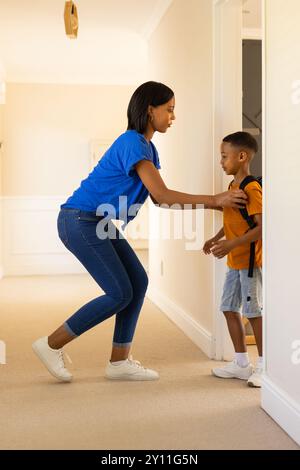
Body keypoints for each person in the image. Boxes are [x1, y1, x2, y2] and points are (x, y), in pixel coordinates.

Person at [32, 81, 247, 383]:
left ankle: (119, 362)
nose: (173, 117)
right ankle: (51, 344)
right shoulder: (132, 141)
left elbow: (160, 200)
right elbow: (162, 193)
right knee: (119, 292)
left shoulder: (148, 148)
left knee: (138, 281)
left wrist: (217, 206)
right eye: (169, 110)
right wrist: (215, 199)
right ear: (150, 110)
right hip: (80, 220)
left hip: (97, 222)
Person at [203, 131, 263, 387]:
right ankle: (241, 363)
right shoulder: (232, 187)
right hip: (234, 262)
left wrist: (231, 245)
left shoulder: (251, 187)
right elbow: (233, 221)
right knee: (228, 308)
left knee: (253, 312)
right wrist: (216, 238)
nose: (221, 162)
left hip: (249, 264)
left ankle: (265, 365)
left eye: (224, 156)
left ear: (242, 156)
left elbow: (261, 228)